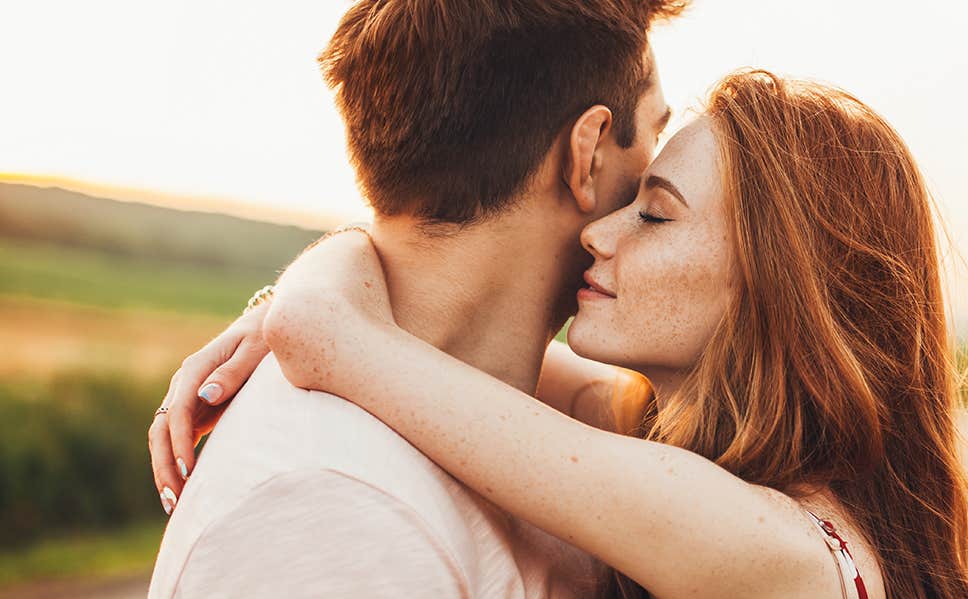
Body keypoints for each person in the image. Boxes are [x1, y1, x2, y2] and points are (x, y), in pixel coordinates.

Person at [153, 70, 968, 597]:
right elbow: (443, 344)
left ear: (776, 290)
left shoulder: (777, 548)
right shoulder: (656, 442)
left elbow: (342, 339)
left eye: (654, 214)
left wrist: (300, 307)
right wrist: (308, 291)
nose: (601, 230)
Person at [146, 0, 684, 596]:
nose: (658, 170)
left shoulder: (532, 420)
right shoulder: (333, 514)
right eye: (657, 133)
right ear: (588, 152)